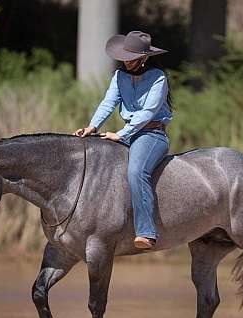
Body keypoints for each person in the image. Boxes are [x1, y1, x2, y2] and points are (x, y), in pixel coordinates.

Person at [73, 31, 173, 250]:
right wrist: (92, 126)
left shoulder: (158, 78)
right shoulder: (119, 77)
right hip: (127, 132)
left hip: (152, 134)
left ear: (144, 57)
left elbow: (148, 112)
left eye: (131, 58)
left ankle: (146, 232)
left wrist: (121, 134)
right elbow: (108, 103)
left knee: (136, 172)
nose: (126, 62)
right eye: (124, 57)